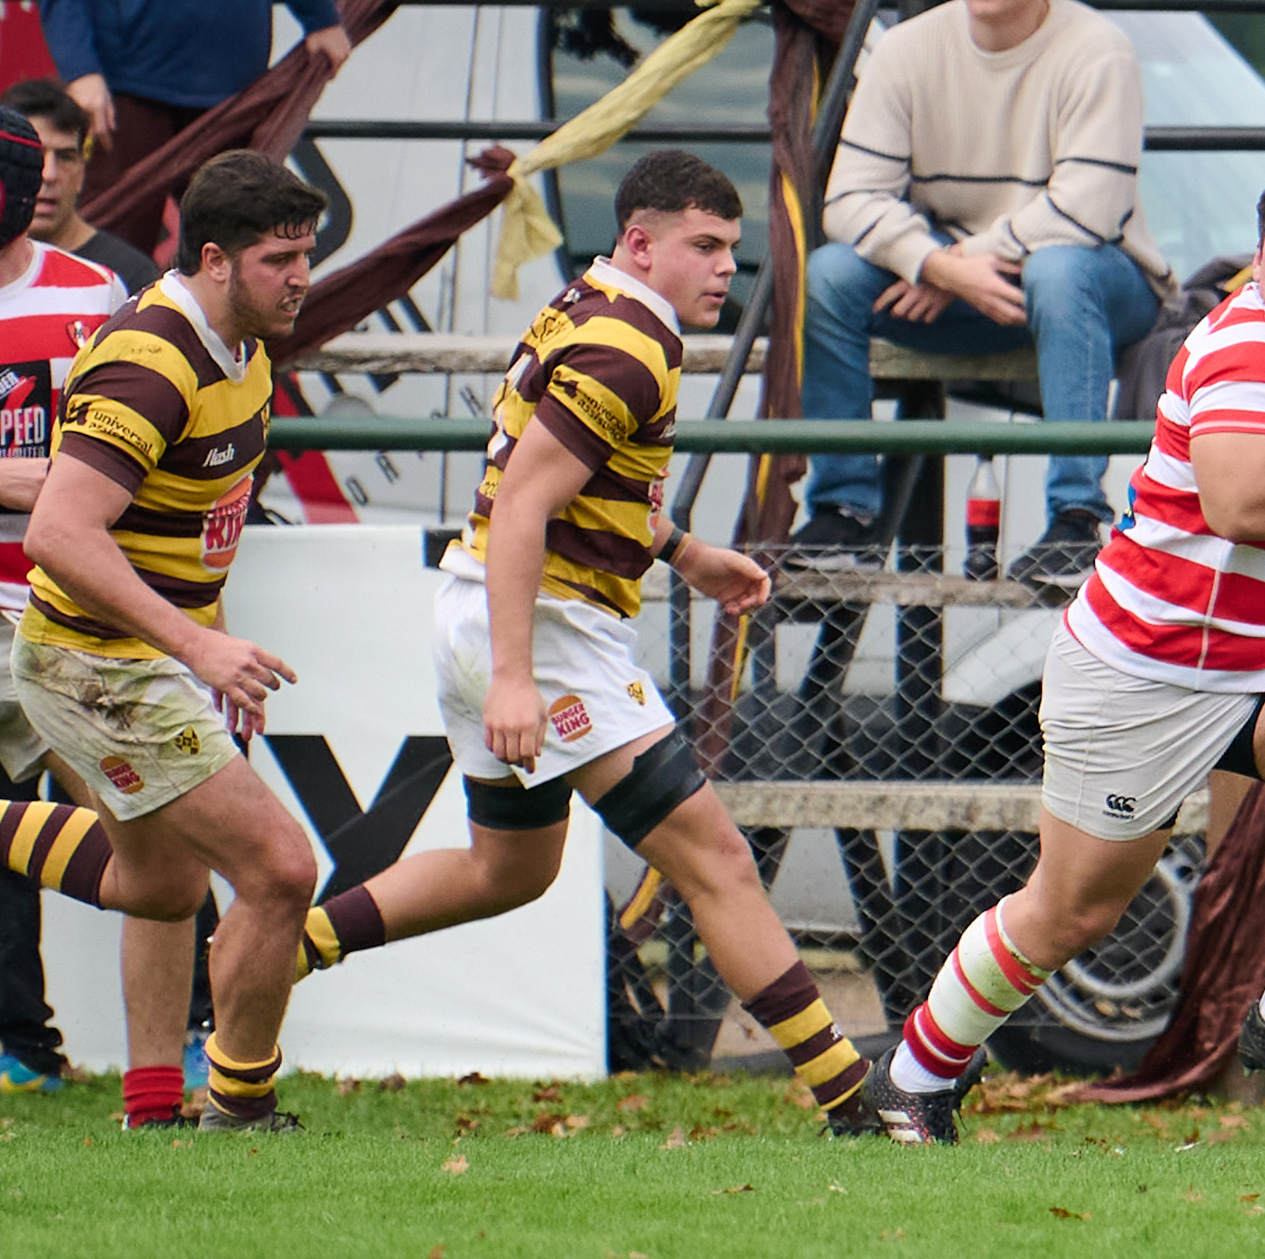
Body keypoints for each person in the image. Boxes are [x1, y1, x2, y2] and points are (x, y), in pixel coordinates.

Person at [860, 158, 1265, 1143]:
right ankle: (913, 1074)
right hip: (1145, 669)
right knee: (1069, 913)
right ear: (1259, 257)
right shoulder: (1248, 348)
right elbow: (1243, 501)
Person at [289, 150, 880, 1133]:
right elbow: (525, 505)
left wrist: (687, 552)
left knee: (507, 870)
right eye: (705, 245)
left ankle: (294, 941)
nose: (725, 267)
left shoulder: (591, 307)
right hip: (546, 630)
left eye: (731, 248)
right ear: (640, 242)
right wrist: (515, 677)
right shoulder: (628, 345)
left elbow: (585, 489)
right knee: (717, 859)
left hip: (487, 608)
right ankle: (855, 1098)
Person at [6, 148, 327, 1132]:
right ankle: (242, 1104)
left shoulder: (248, 346)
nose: (302, 277)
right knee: (282, 867)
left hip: (139, 659)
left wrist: (209, 643)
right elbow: (60, 531)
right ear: (215, 259)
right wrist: (197, 647)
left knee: (162, 883)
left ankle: (153, 1107)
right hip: (94, 662)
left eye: (307, 254)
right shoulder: (151, 358)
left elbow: (196, 535)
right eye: (280, 259)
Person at [786, 0, 1175, 588]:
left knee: (1058, 273)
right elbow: (846, 202)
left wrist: (955, 264)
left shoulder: (1099, 48)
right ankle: (844, 513)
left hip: (1096, 275)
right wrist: (933, 263)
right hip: (963, 277)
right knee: (829, 276)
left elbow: (1087, 211)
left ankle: (1076, 518)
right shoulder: (906, 49)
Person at [40, 0, 351, 254]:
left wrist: (321, 17)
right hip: (126, 87)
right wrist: (80, 69)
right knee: (114, 250)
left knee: (236, 246)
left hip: (235, 89)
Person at [3, 78, 160, 294]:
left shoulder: (129, 275)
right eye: (35, 156)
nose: (49, 174)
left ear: (83, 171)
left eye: (66, 157)